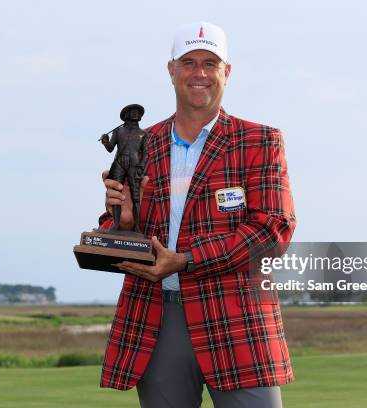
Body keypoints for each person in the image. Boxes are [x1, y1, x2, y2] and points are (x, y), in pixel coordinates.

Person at [98, 21, 296, 408]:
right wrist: (122, 225)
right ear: (171, 70)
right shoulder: (143, 142)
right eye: (188, 62)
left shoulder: (258, 140)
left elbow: (273, 229)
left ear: (227, 71)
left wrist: (186, 261)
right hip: (156, 319)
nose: (199, 73)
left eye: (210, 63)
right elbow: (111, 229)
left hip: (238, 319)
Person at [100, 104, 148, 232]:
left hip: (134, 164)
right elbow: (110, 148)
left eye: (137, 112)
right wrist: (105, 141)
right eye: (132, 111)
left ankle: (136, 226)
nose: (135, 113)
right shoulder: (119, 131)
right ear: (125, 116)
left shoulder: (143, 134)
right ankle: (116, 223)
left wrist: (141, 167)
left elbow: (145, 154)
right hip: (119, 163)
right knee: (116, 194)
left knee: (135, 196)